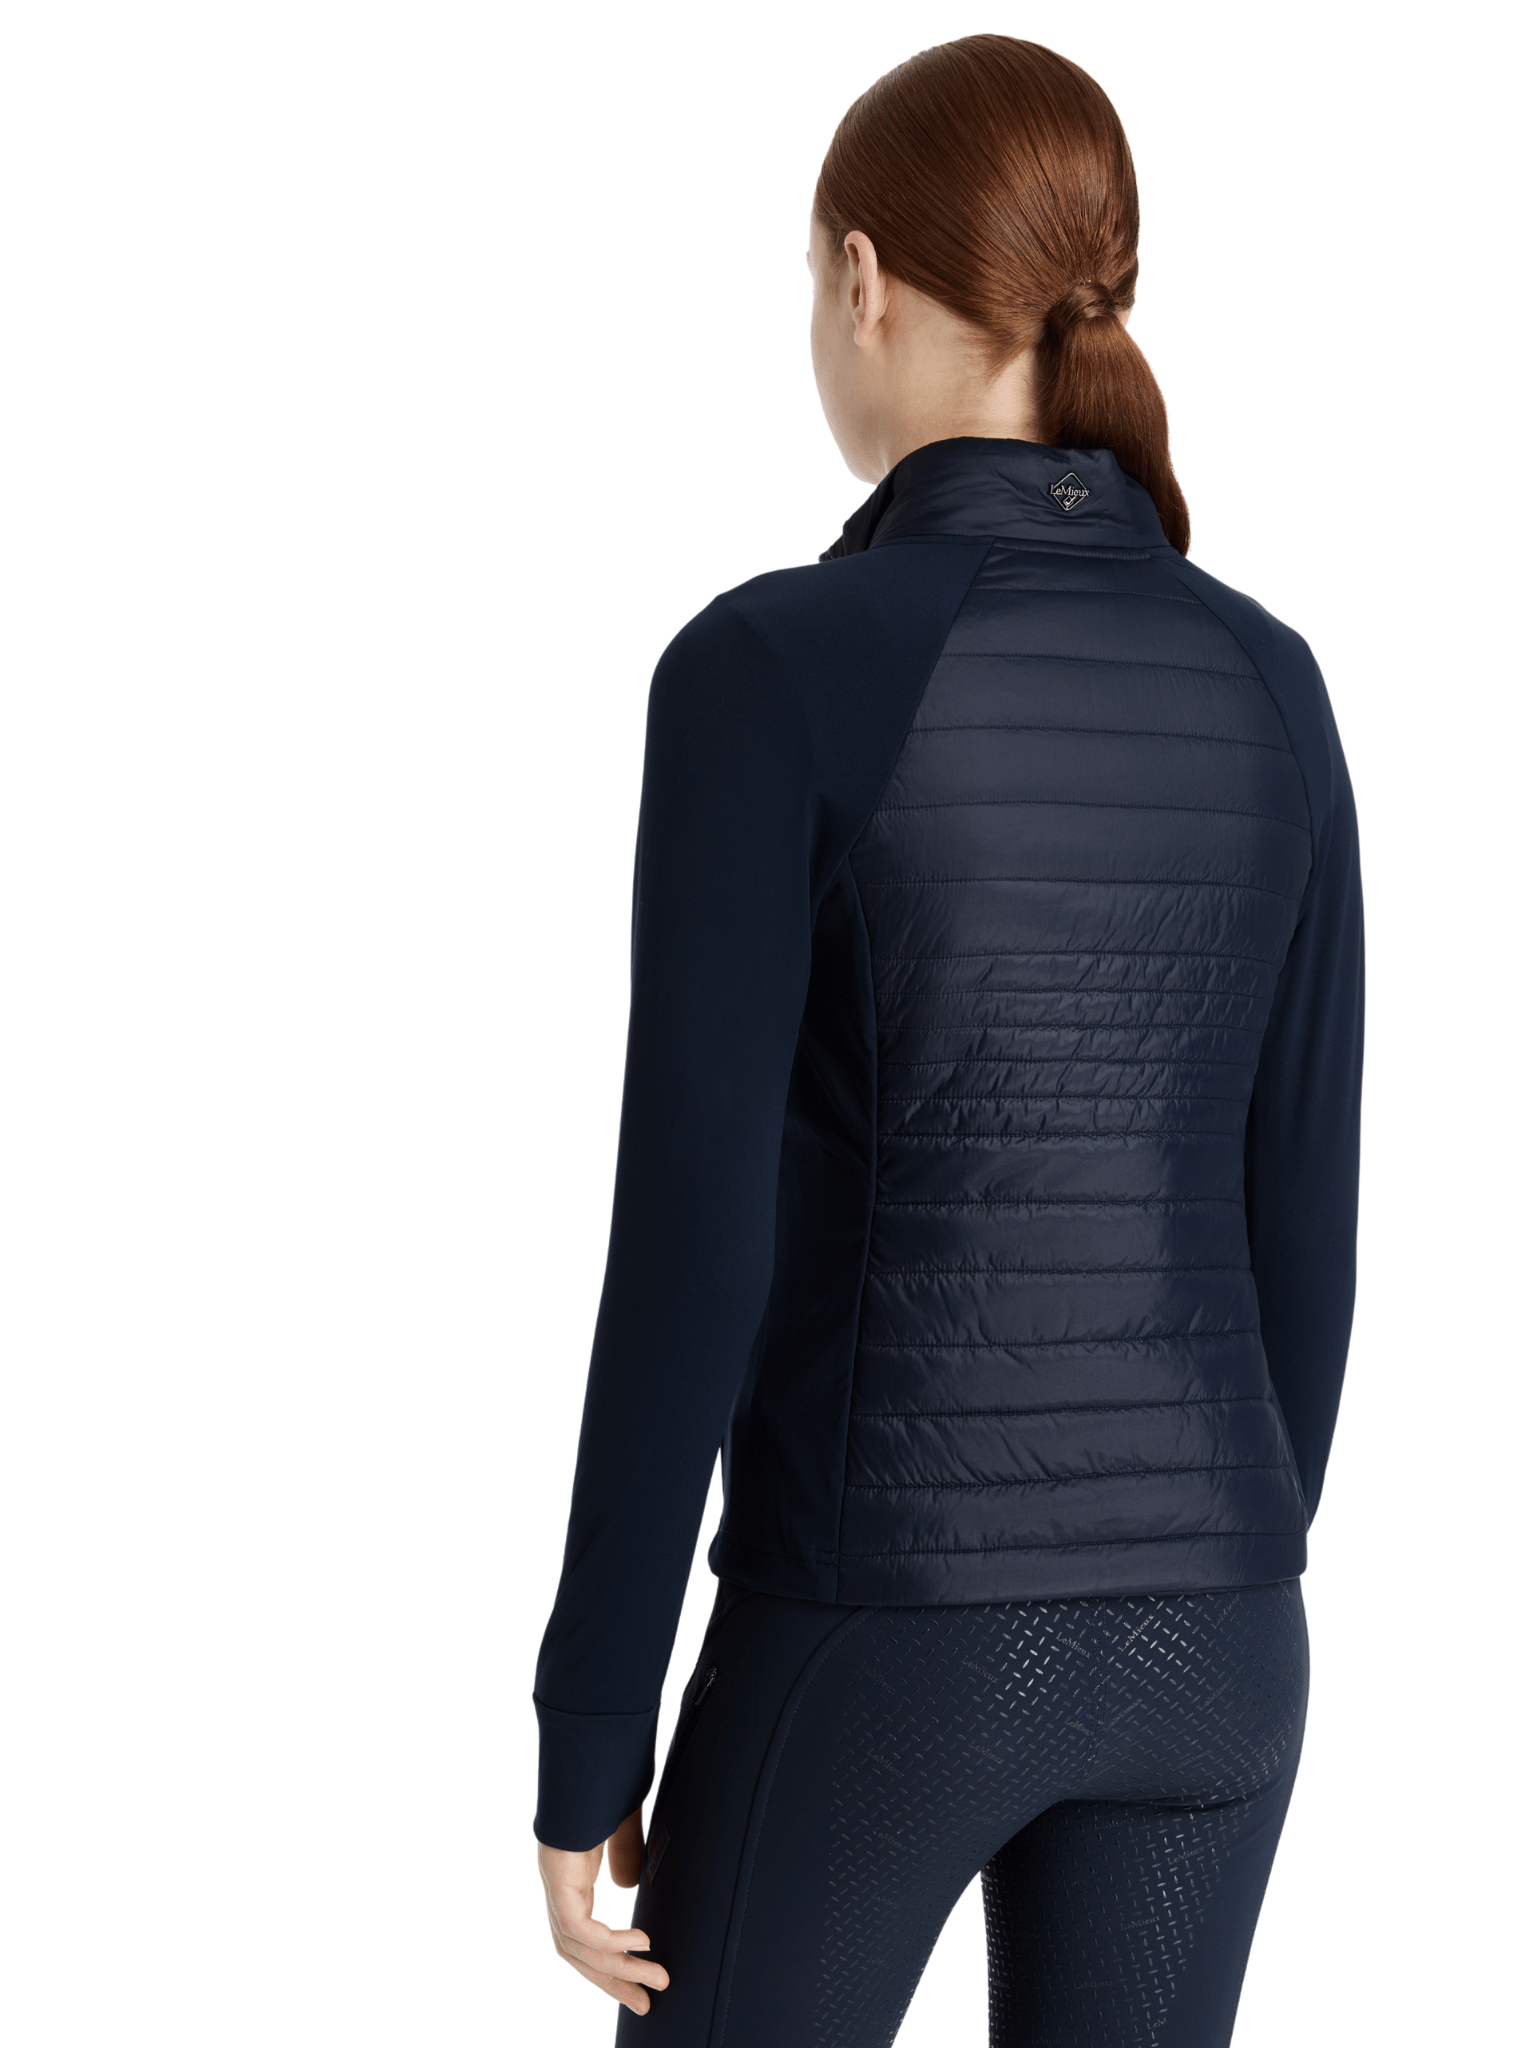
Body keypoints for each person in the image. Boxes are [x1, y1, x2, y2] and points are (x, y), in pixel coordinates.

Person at [531, 34, 1363, 2046]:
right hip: (1219, 1645)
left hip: (882, 1623)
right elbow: (1304, 1215)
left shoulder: (769, 669)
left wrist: (592, 1720)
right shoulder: (1270, 680)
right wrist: (1198, 1556)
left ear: (860, 277)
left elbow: (695, 1234)